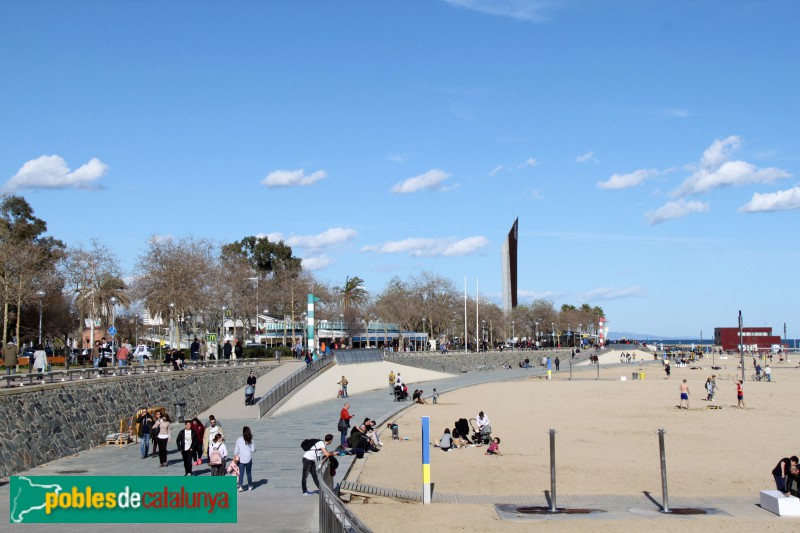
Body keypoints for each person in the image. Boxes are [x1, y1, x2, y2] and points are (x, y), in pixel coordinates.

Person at [233, 426, 255, 491]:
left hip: (241, 459)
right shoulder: (251, 440)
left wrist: (235, 455)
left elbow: (236, 449)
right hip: (248, 458)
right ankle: (250, 485)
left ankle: (240, 486)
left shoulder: (239, 439)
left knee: (241, 473)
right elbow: (253, 450)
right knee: (249, 473)